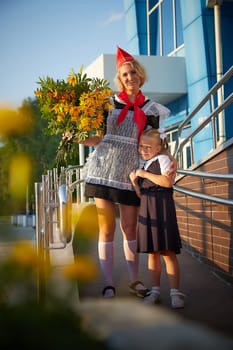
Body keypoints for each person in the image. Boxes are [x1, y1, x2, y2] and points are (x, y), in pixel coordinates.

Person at [70, 46, 174, 298]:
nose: (130, 78)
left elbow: (153, 143)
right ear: (120, 78)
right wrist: (78, 138)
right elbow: (98, 138)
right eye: (125, 74)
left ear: (140, 75)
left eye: (133, 73)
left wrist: (167, 162)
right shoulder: (106, 104)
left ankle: (135, 281)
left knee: (129, 227)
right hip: (103, 170)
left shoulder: (151, 110)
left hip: (130, 174)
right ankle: (108, 282)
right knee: (106, 228)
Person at [129, 128, 184, 309]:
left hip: (163, 209)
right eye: (141, 146)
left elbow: (168, 182)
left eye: (148, 147)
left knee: (168, 253)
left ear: (159, 147)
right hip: (148, 210)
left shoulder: (163, 159)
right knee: (153, 253)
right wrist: (134, 182)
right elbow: (141, 194)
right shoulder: (144, 164)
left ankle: (175, 293)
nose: (143, 150)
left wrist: (143, 175)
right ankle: (155, 291)